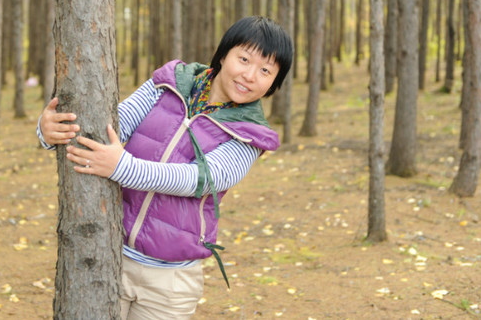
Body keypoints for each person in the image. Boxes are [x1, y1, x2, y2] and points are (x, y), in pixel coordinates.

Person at [38, 16, 293, 319]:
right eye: (244, 59)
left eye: (265, 71)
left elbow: (198, 179)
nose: (250, 75)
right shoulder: (169, 83)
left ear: (273, 84)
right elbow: (113, 125)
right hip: (107, 255)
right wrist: (49, 132)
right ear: (224, 54)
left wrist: (122, 167)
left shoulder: (250, 135)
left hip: (171, 283)